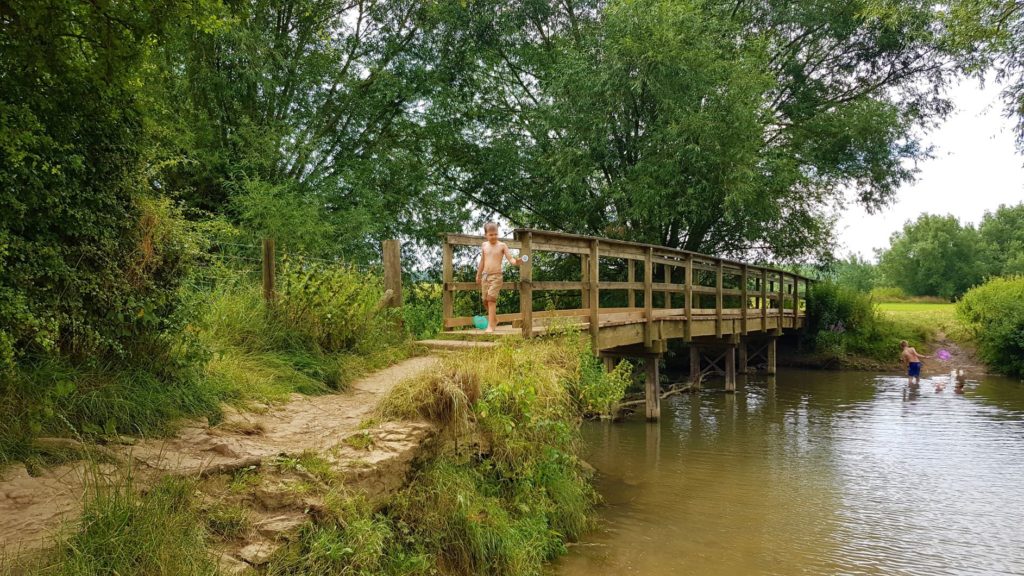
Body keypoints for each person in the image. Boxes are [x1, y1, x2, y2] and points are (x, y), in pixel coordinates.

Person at [476, 222, 521, 333]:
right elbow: (482, 261)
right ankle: (495, 320)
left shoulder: (502, 245)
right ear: (486, 235)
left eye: (496, 234)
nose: (494, 236)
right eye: (491, 234)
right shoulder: (484, 245)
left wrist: (516, 262)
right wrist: (478, 274)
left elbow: (510, 259)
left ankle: (491, 326)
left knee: (491, 300)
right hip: (485, 276)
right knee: (485, 301)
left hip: (496, 277)